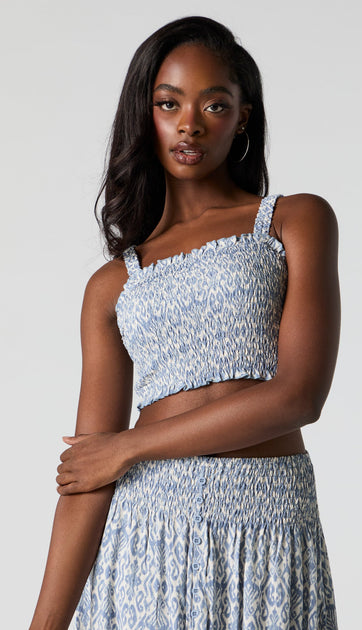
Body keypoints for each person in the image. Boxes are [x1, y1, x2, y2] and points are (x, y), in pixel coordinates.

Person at [29, 15, 340, 630]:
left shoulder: (294, 221)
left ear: (242, 117)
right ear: (145, 115)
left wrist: (128, 448)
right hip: (144, 538)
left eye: (214, 104)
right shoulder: (112, 283)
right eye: (168, 103)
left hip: (269, 528)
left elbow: (299, 396)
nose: (190, 124)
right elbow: (88, 476)